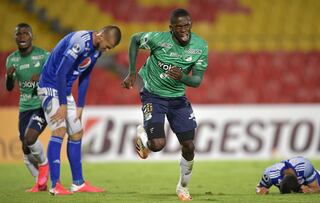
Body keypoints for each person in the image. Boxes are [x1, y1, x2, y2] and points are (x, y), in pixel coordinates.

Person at [122, 8, 208, 201]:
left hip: (178, 99)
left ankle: (183, 187)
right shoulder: (158, 39)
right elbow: (135, 39)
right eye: (179, 27)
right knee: (157, 145)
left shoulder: (200, 46)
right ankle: (143, 135)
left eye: (187, 25)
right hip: (154, 95)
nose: (184, 30)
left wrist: (183, 77)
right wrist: (132, 71)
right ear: (171, 28)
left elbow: (197, 81)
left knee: (189, 145)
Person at [37, 25, 121, 195]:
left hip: (65, 91)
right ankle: (55, 185)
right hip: (50, 86)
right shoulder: (79, 42)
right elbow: (60, 73)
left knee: (76, 132)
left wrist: (80, 105)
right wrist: (62, 104)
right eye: (108, 46)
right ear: (100, 36)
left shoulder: (96, 51)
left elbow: (86, 76)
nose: (107, 50)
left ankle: (78, 183)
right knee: (59, 130)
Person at [5, 23, 49, 192]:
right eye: (18, 34)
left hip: (42, 104)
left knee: (30, 139)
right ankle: (40, 183)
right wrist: (9, 77)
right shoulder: (11, 59)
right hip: (25, 107)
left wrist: (43, 78)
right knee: (25, 146)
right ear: (15, 38)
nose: (22, 36)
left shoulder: (44, 56)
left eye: (25, 33)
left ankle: (44, 166)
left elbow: (57, 75)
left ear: (32, 37)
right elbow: (9, 88)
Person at [255, 156, 320, 194]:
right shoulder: (270, 173)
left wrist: (310, 190)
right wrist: (260, 190)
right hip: (309, 177)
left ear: (298, 181)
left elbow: (317, 188)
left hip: (312, 177)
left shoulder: (304, 166)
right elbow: (259, 187)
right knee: (318, 178)